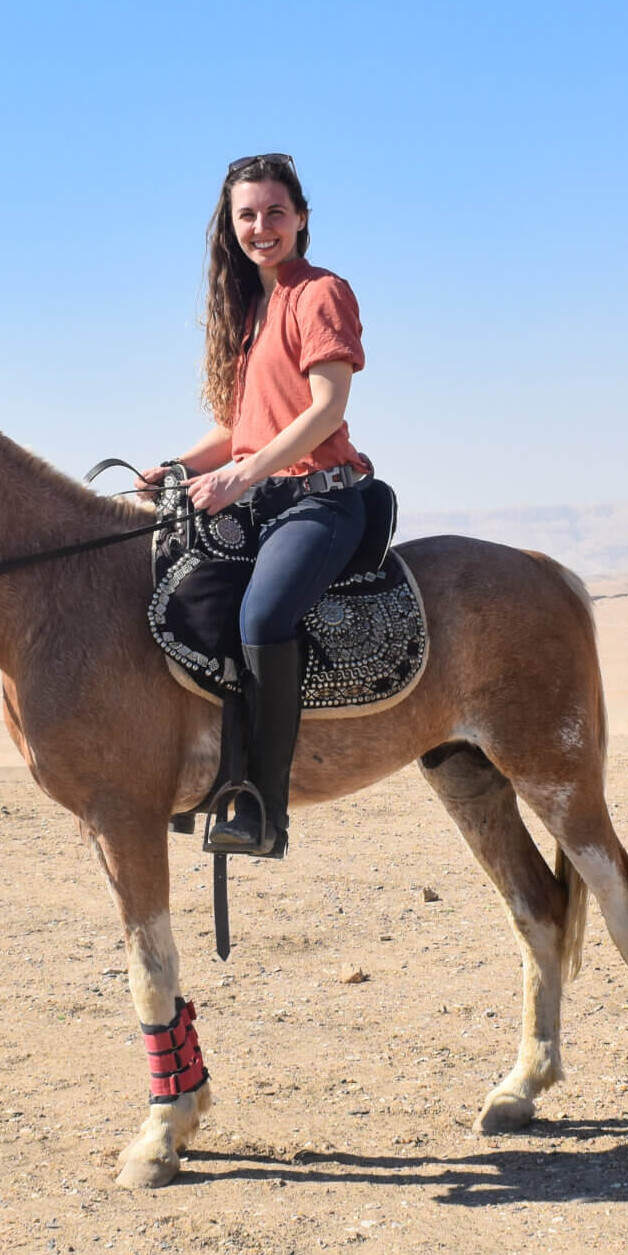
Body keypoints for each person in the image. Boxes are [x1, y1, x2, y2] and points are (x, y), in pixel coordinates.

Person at [147, 153, 372, 858]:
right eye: (248, 214)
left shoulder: (321, 293)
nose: (261, 226)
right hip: (259, 498)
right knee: (178, 593)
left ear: (301, 218)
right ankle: (198, 774)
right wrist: (182, 467)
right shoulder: (249, 310)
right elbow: (238, 429)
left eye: (275, 212)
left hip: (322, 502)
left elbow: (325, 406)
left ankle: (263, 805)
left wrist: (241, 477)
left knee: (262, 616)